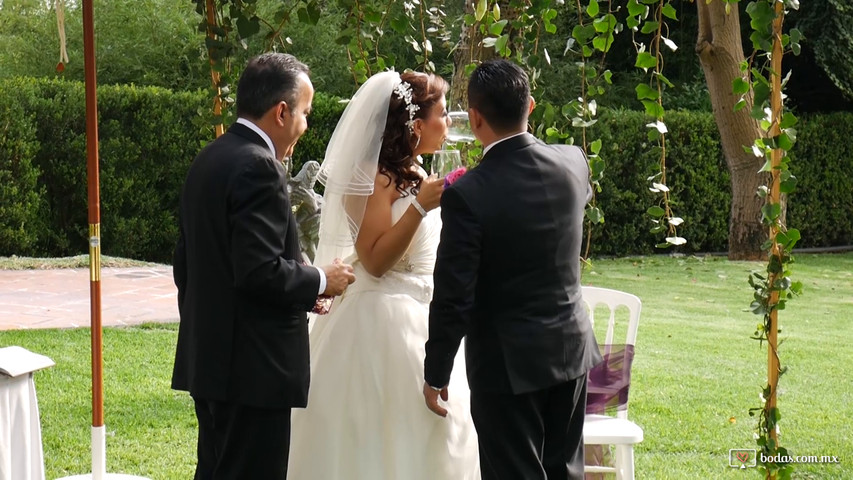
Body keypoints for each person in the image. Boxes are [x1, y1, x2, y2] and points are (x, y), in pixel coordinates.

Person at [171, 53, 356, 480]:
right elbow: (258, 271)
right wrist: (322, 280)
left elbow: (189, 264)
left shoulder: (209, 158)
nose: (305, 126)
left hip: (211, 360)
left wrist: (300, 291)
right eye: (305, 113)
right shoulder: (260, 167)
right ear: (281, 111)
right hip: (253, 371)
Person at [287, 70, 480, 479]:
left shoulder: (416, 172)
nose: (448, 124)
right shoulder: (378, 177)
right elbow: (373, 259)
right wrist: (420, 208)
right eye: (443, 115)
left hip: (425, 312)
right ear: (416, 124)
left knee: (439, 436)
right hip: (381, 320)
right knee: (378, 438)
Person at [423, 59, 603, 480]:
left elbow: (454, 295)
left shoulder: (469, 194)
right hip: (571, 349)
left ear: (475, 118)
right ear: (531, 106)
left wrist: (436, 370)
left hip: (508, 364)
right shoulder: (574, 163)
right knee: (566, 472)